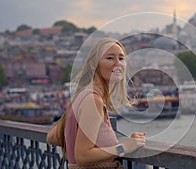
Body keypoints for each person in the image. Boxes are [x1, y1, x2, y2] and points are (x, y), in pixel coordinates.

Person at [47, 37, 146, 169]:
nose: (117, 63)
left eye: (121, 58)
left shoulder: (83, 96)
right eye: (110, 58)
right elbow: (82, 157)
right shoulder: (93, 100)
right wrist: (124, 147)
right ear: (94, 65)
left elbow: (52, 137)